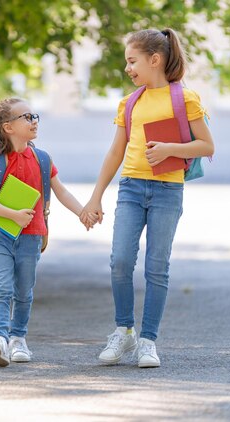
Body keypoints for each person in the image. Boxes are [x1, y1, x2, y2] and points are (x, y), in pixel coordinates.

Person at [81, 28, 214, 368]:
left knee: (157, 267)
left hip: (168, 190)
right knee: (120, 261)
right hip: (131, 188)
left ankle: (148, 341)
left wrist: (170, 148)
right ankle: (124, 331)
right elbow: (115, 152)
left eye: (132, 61)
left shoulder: (185, 99)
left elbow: (206, 146)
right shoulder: (130, 103)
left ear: (154, 60)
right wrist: (95, 198)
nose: (128, 68)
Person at [0, 97, 98, 367]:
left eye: (34, 117)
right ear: (8, 128)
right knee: (2, 288)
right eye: (26, 117)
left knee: (24, 290)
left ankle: (18, 338)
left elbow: (61, 191)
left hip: (32, 237)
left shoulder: (43, 159)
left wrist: (82, 211)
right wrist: (14, 216)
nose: (34, 121)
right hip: (1, 235)